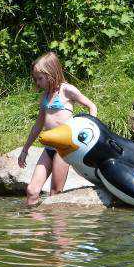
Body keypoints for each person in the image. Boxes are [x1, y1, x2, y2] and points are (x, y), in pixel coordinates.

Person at [18, 52, 97, 205]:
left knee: (55, 193)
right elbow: (38, 125)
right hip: (48, 148)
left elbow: (91, 106)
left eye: (40, 78)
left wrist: (91, 126)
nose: (38, 83)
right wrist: (25, 149)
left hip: (64, 149)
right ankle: (36, 227)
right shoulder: (45, 97)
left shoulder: (67, 90)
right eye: (36, 79)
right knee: (32, 190)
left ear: (51, 73)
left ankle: (57, 228)